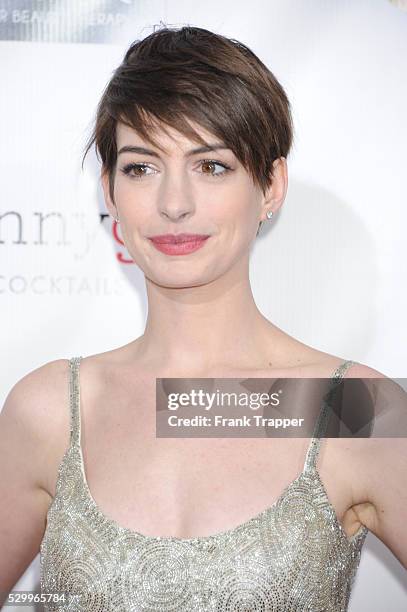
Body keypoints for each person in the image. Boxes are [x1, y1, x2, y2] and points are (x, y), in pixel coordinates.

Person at [0, 25, 406, 612]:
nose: (174, 203)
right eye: (141, 167)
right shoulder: (50, 410)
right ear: (110, 193)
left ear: (271, 185)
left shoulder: (353, 409)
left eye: (211, 166)